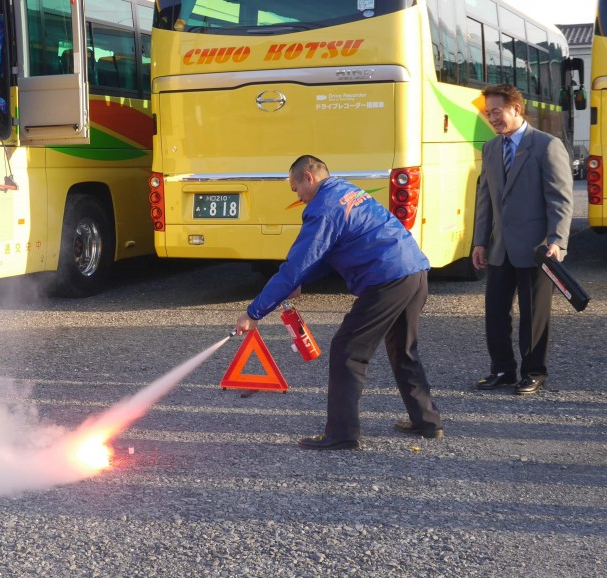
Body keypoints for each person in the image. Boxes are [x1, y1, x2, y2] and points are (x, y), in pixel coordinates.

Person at [234, 155, 443, 450]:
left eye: (296, 189)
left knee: (348, 352)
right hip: (414, 271)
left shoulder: (323, 206)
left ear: (308, 177)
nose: (298, 197)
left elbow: (297, 263)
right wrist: (300, 283)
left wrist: (254, 312)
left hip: (387, 279)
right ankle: (428, 422)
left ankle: (342, 434)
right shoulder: (348, 191)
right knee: (403, 349)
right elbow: (329, 252)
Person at [472, 84, 573, 396]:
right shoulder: (490, 148)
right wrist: (479, 241)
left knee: (534, 315)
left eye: (497, 111)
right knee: (495, 312)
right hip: (500, 247)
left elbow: (560, 199)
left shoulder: (546, 145)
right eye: (488, 113)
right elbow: (485, 198)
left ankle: (533, 372)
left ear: (516, 109)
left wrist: (557, 240)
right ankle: (501, 370)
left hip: (537, 248)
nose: (492, 118)